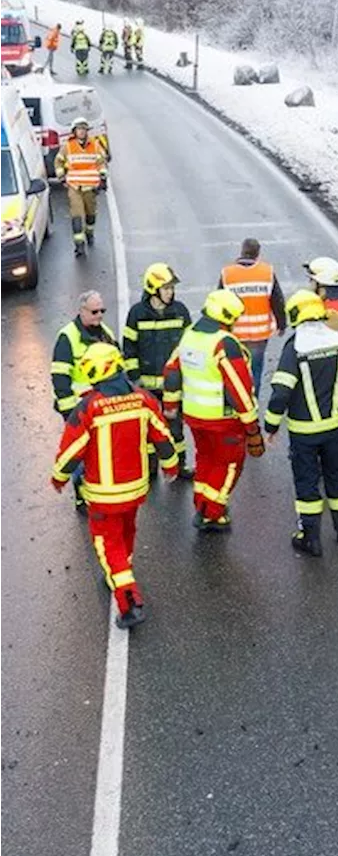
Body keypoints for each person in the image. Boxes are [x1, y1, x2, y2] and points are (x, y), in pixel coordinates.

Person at [51, 343, 178, 630]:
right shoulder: (143, 399)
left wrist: (58, 477)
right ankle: (121, 569)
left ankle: (129, 600)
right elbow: (161, 437)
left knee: (107, 544)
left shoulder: (88, 407)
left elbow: (71, 451)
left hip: (103, 494)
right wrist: (170, 465)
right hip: (135, 489)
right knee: (126, 531)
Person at [264, 290, 338, 557]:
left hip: (303, 432)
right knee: (337, 476)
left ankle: (310, 538)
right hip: (334, 426)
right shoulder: (337, 340)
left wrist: (270, 426)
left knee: (307, 483)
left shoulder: (295, 347)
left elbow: (281, 392)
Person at [162, 290, 265, 532]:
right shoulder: (224, 342)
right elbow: (239, 388)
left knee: (206, 459)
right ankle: (212, 513)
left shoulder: (190, 336)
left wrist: (170, 406)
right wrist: (252, 427)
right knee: (230, 463)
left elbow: (171, 370)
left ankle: (202, 504)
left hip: (195, 417)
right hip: (223, 419)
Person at [122, 262, 194, 478]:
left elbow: (190, 347)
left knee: (176, 429)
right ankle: (151, 469)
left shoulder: (180, 312)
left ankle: (180, 466)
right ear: (153, 289)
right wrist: (135, 379)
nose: (170, 292)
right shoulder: (137, 314)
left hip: (173, 385)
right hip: (147, 387)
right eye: (166, 288)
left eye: (172, 288)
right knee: (148, 430)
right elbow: (129, 348)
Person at [51, 290, 118, 512]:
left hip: (102, 407)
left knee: (100, 452)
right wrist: (71, 413)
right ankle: (82, 495)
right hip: (79, 409)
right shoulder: (67, 338)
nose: (99, 315)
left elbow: (118, 367)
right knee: (81, 453)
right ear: (81, 311)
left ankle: (97, 490)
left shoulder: (105, 333)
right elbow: (60, 378)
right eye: (94, 311)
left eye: (102, 311)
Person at [219, 238, 287, 393]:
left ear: (242, 251)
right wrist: (281, 324)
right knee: (255, 369)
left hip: (235, 333)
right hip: (259, 335)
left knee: (235, 369)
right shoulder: (266, 272)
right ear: (258, 254)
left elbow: (219, 301)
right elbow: (277, 300)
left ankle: (237, 400)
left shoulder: (228, 274)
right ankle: (253, 400)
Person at [54, 117, 107, 257]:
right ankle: (79, 245)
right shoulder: (68, 146)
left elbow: (101, 163)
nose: (81, 132)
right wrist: (61, 177)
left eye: (84, 129)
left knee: (91, 214)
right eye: (79, 129)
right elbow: (58, 162)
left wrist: (103, 178)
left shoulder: (95, 145)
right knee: (77, 216)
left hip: (90, 188)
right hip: (75, 187)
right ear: (74, 131)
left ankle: (90, 234)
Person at [303, 256, 338, 337]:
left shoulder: (332, 308)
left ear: (321, 283)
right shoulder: (325, 300)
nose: (310, 283)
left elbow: (326, 337)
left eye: (312, 280)